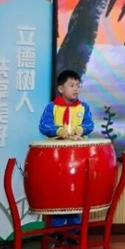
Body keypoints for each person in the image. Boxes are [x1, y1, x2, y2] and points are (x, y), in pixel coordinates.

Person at [38, 69, 94, 229]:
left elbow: (89, 125)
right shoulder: (52, 107)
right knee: (58, 192)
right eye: (71, 85)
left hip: (77, 159)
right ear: (61, 89)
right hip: (56, 159)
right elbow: (44, 126)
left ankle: (73, 231)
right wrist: (58, 131)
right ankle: (56, 231)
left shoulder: (83, 107)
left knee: (75, 193)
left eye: (77, 85)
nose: (75, 89)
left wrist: (81, 129)